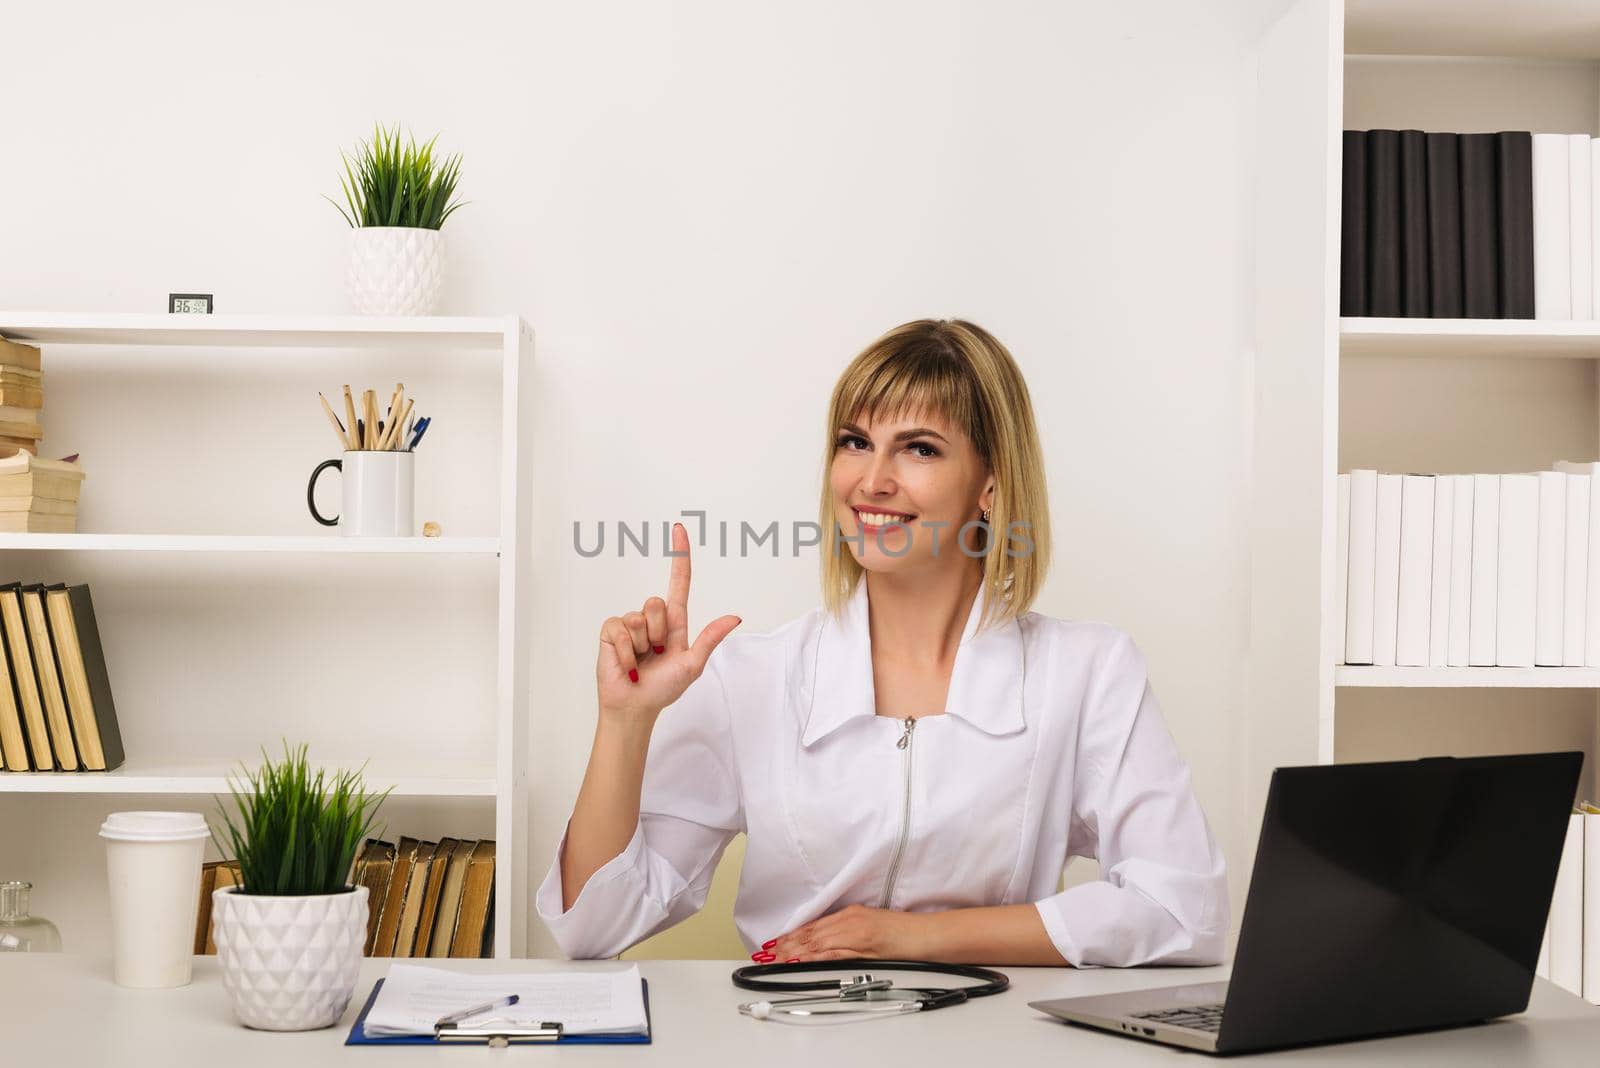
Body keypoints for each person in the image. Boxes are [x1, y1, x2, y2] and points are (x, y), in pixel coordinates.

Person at [536, 319, 1228, 966]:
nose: (872, 481)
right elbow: (595, 928)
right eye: (854, 442)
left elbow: (1184, 908)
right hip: (792, 1040)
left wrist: (914, 937)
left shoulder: (1088, 672)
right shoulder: (754, 676)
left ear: (991, 484)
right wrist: (625, 723)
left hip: (997, 1041)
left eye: (919, 448)